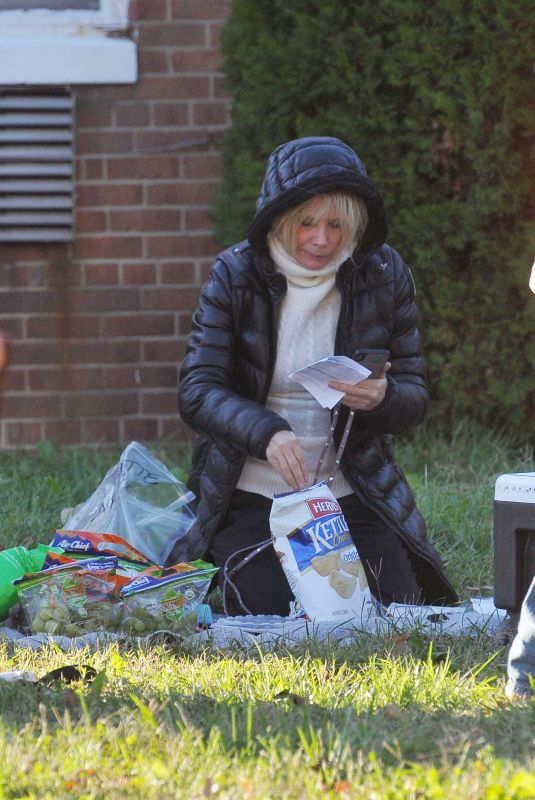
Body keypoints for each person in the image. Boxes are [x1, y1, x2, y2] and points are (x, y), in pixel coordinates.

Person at [178, 135, 458, 616]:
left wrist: (382, 396)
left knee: (403, 609)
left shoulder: (384, 273)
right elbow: (197, 391)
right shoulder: (235, 274)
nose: (322, 239)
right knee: (262, 612)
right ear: (279, 220)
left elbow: (414, 395)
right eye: (306, 223)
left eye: (336, 224)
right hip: (252, 497)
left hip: (350, 493)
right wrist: (266, 434)